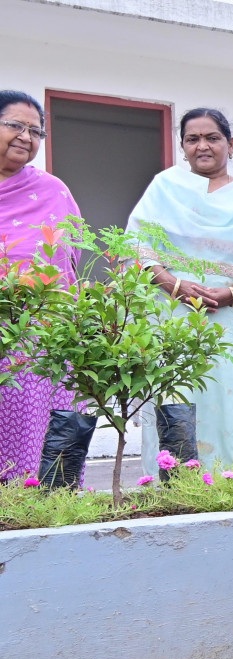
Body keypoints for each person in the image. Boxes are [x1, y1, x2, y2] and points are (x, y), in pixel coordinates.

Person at [128, 108, 233, 473]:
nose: (202, 146)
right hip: (172, 315)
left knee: (231, 402)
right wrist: (174, 284)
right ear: (182, 147)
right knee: (174, 396)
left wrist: (231, 294)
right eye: (192, 139)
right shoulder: (164, 188)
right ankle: (173, 483)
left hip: (231, 320)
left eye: (212, 137)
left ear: (230, 144)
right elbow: (136, 249)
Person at [0, 90, 81, 482]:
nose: (25, 137)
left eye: (35, 131)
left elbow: (71, 261)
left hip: (41, 339)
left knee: (35, 434)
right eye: (14, 125)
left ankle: (35, 505)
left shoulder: (52, 190)